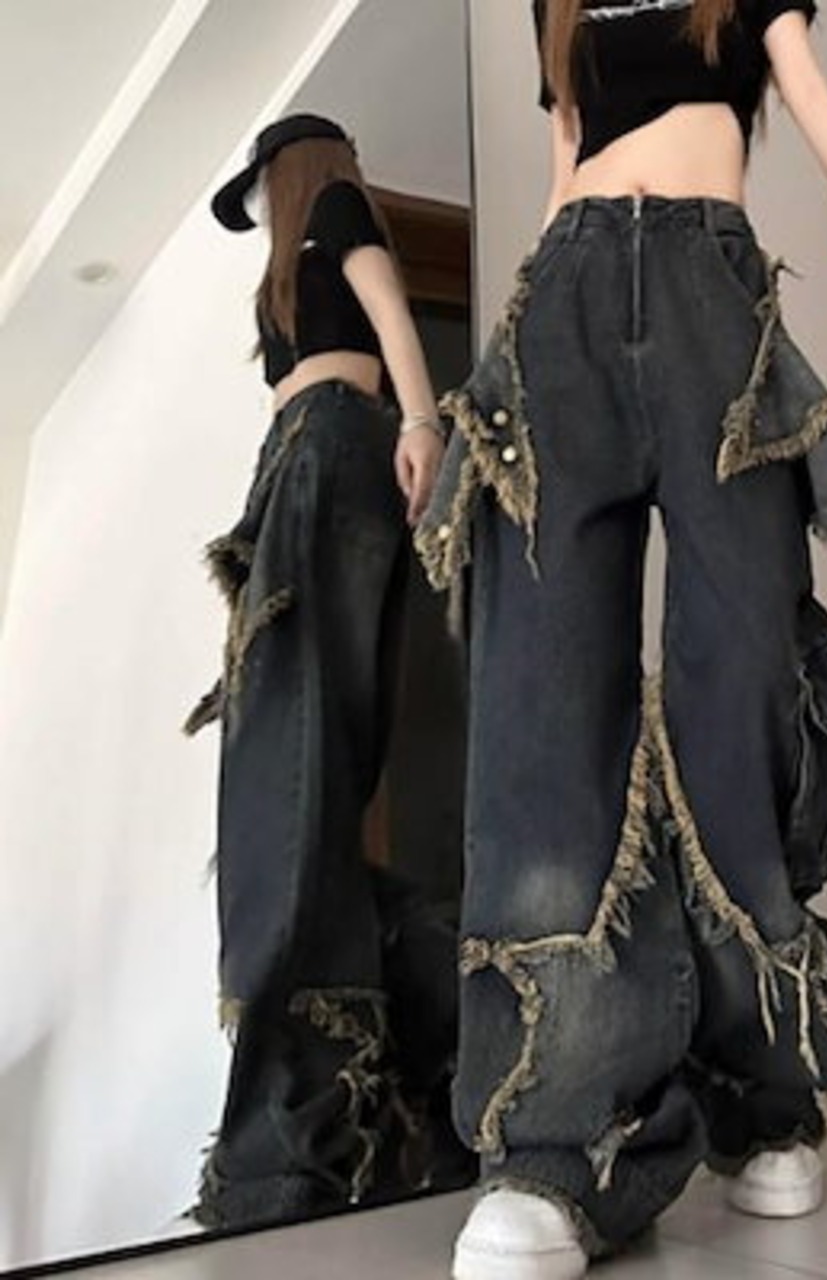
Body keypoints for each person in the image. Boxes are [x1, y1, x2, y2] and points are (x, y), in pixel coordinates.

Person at [417, 4, 827, 1276]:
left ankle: (761, 1097)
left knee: (741, 680)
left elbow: (799, 79)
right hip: (565, 297)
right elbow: (565, 157)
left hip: (711, 287)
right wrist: (511, 340)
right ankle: (554, 1144)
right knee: (543, 705)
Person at [189, 113, 473, 1228]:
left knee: (296, 760)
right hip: (294, 455)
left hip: (333, 441)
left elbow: (393, 312)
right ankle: (396, 1078)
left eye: (264, 185)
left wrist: (422, 422)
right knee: (301, 768)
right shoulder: (292, 264)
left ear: (287, 171)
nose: (262, 206)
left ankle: (302, 1128)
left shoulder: (337, 209)